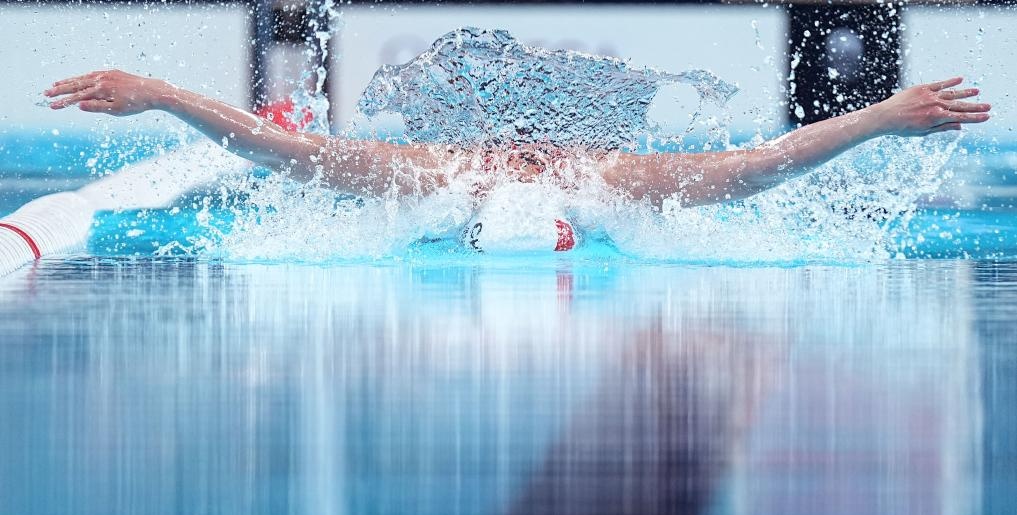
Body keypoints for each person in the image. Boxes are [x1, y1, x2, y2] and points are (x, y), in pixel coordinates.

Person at [44, 70, 990, 209]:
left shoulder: (609, 180)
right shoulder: (431, 176)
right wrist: (159, 95)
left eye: (542, 155)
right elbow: (270, 147)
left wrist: (877, 119)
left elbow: (754, 169)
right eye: (511, 154)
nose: (526, 167)